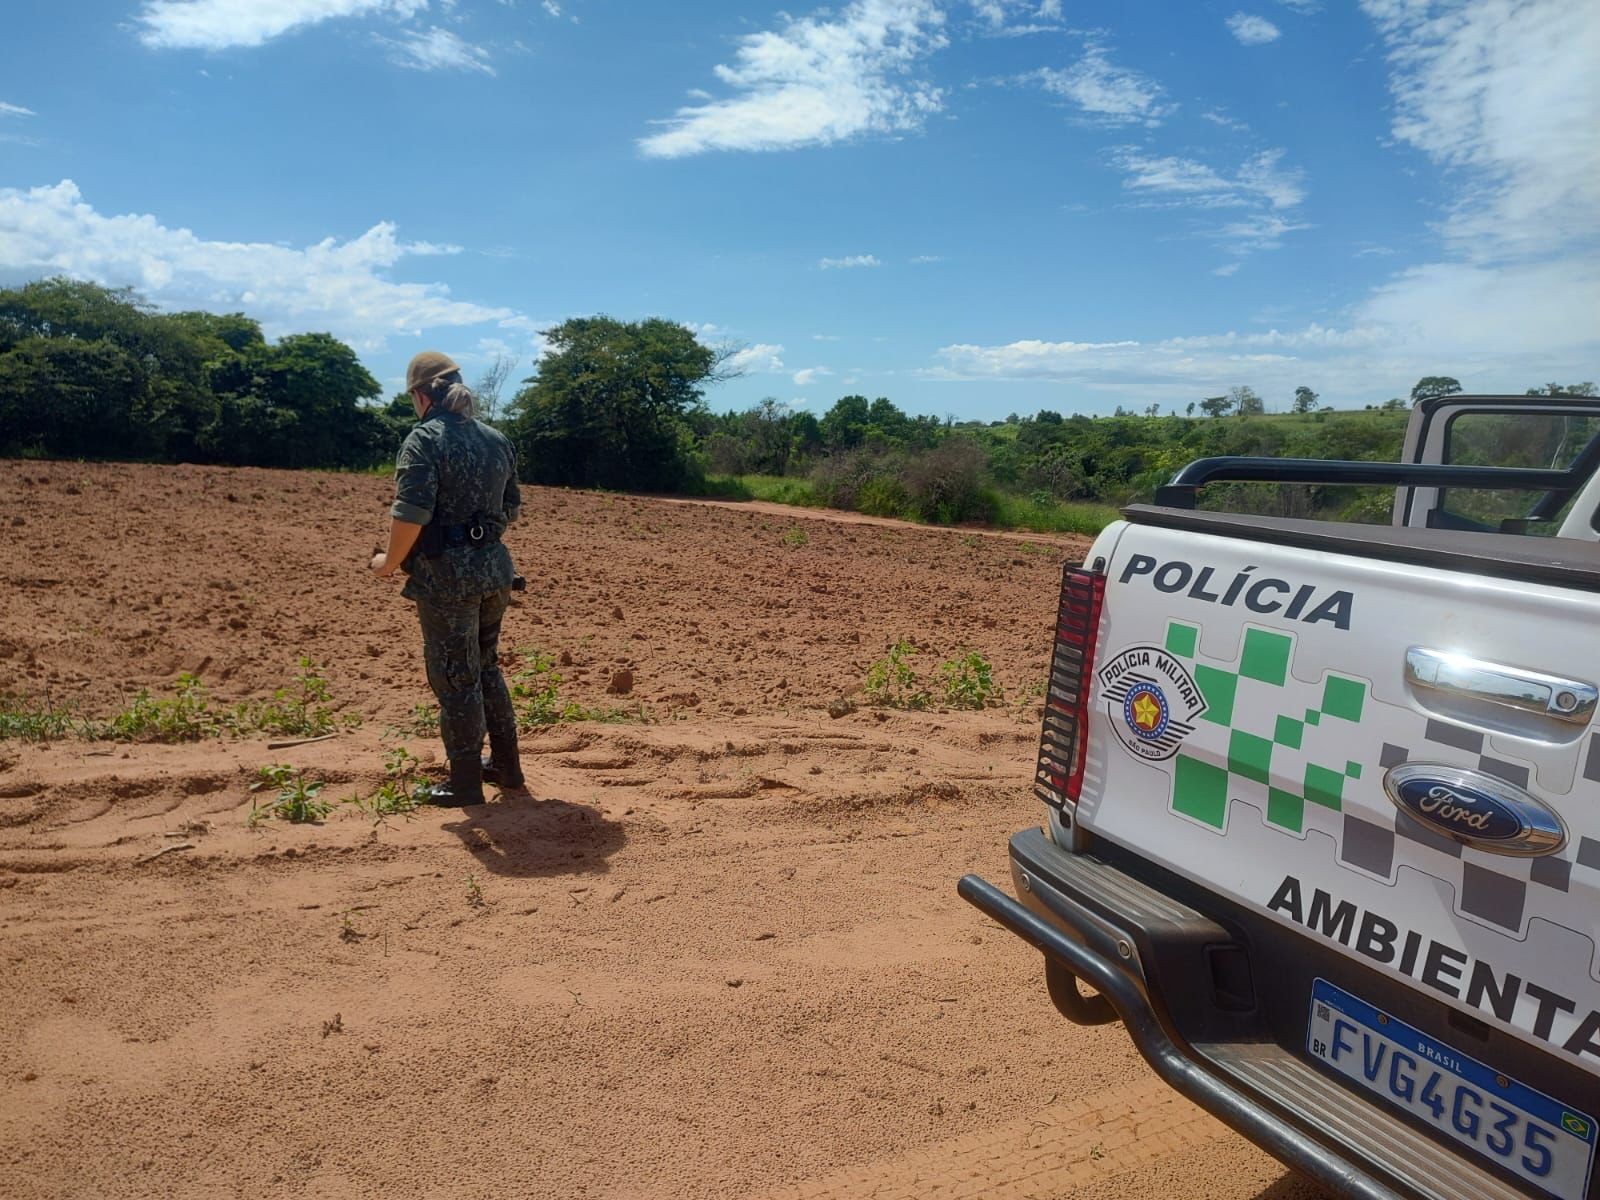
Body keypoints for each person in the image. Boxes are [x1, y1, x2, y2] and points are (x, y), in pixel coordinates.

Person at [370, 351, 524, 805]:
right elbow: (510, 507)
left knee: (456, 677)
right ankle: (507, 767)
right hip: (495, 571)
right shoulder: (497, 439)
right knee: (486, 666)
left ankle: (464, 784)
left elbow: (410, 514)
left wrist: (388, 563)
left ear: (420, 396)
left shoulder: (423, 440)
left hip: (447, 582)